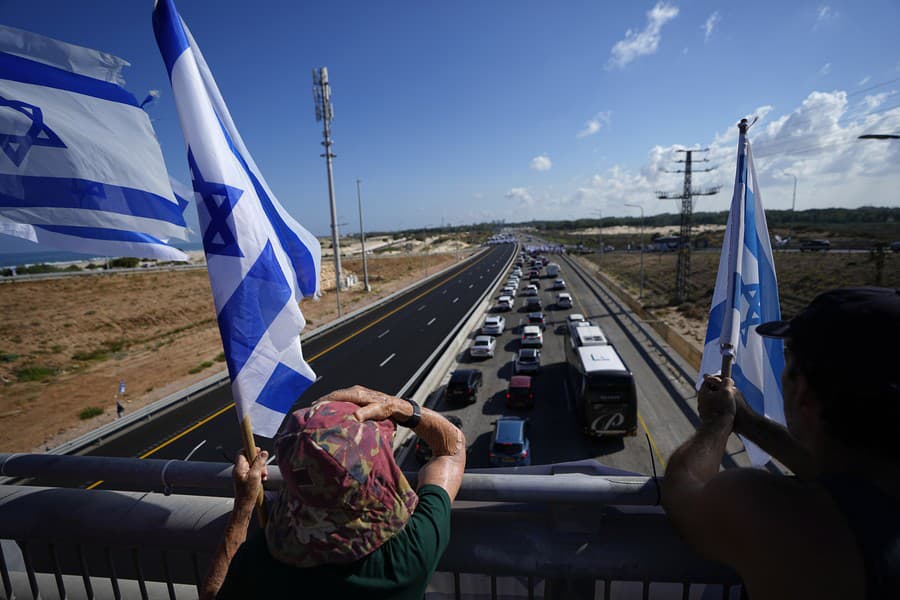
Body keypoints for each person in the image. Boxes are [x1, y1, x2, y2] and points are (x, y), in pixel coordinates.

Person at [662, 287, 900, 599]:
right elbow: (839, 471)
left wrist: (717, 423)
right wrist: (746, 420)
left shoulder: (784, 517)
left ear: (803, 392)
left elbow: (683, 489)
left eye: (787, 359)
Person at [201, 385, 466, 600]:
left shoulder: (264, 558)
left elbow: (212, 594)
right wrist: (397, 405)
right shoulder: (408, 555)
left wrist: (244, 507)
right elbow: (451, 449)